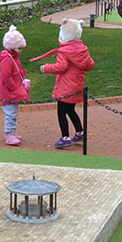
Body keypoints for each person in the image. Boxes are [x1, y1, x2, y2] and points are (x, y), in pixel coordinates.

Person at [34, 19, 94, 149]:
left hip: (66, 86)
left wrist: (46, 68)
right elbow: (89, 65)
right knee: (71, 109)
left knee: (62, 111)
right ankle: (80, 132)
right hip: (77, 84)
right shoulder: (83, 50)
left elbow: (61, 67)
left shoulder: (64, 51)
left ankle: (65, 137)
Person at [0, 25, 29, 146]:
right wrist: (14, 87)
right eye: (19, 48)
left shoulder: (13, 58)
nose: (21, 51)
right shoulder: (7, 60)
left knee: (13, 112)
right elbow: (6, 76)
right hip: (9, 91)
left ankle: (12, 132)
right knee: (11, 113)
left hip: (13, 89)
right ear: (12, 47)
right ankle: (9, 133)